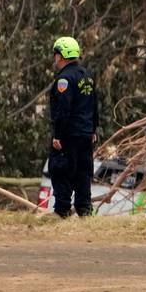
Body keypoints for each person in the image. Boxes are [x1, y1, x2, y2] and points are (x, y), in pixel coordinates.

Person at [47, 36, 98, 217]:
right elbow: (94, 105)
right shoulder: (87, 76)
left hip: (68, 135)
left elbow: (63, 110)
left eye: (56, 54)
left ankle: (62, 210)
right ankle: (84, 211)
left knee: (60, 170)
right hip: (85, 134)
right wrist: (93, 129)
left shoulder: (65, 79)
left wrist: (57, 135)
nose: (55, 58)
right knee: (83, 173)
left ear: (61, 56)